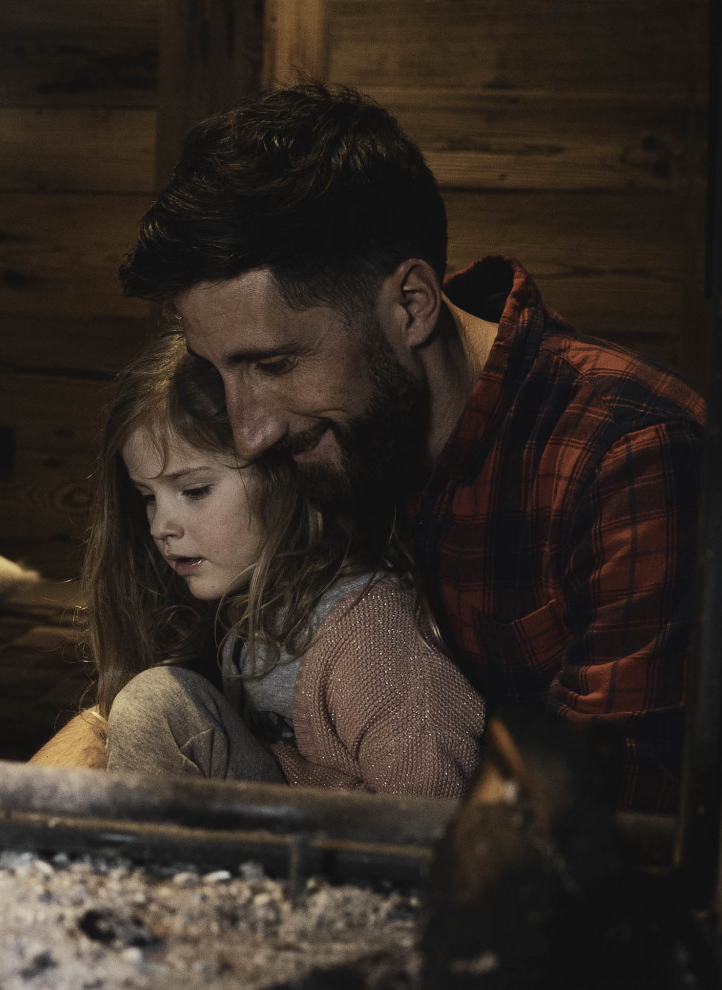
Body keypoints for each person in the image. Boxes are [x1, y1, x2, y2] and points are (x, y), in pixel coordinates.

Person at [114, 82, 703, 812]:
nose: (249, 432)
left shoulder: (629, 454)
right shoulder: (356, 422)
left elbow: (614, 828)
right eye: (219, 369)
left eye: (274, 365)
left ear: (412, 305)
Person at [31, 330, 484, 795]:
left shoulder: (369, 634)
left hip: (354, 859)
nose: (160, 526)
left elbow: (431, 809)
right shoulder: (251, 610)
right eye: (148, 497)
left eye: (194, 491)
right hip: (273, 838)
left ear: (283, 477)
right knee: (157, 702)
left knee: (154, 701)